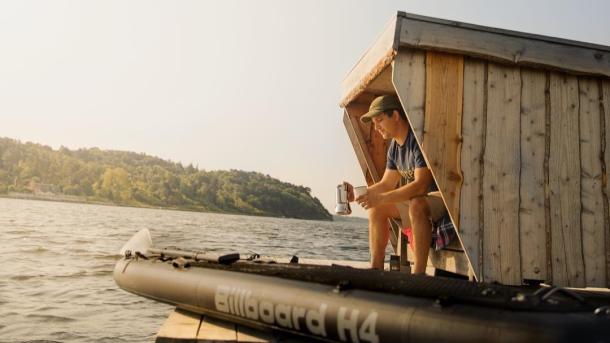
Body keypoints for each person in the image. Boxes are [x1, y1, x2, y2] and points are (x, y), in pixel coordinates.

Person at [345, 94, 449, 274]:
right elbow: (386, 184)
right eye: (374, 123)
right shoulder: (394, 147)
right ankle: (375, 269)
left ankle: (418, 275)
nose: (376, 127)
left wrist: (382, 197)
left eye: (379, 120)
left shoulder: (417, 140)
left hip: (439, 198)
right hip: (416, 199)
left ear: (395, 115)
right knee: (377, 209)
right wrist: (357, 195)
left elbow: (420, 186)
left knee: (416, 203)